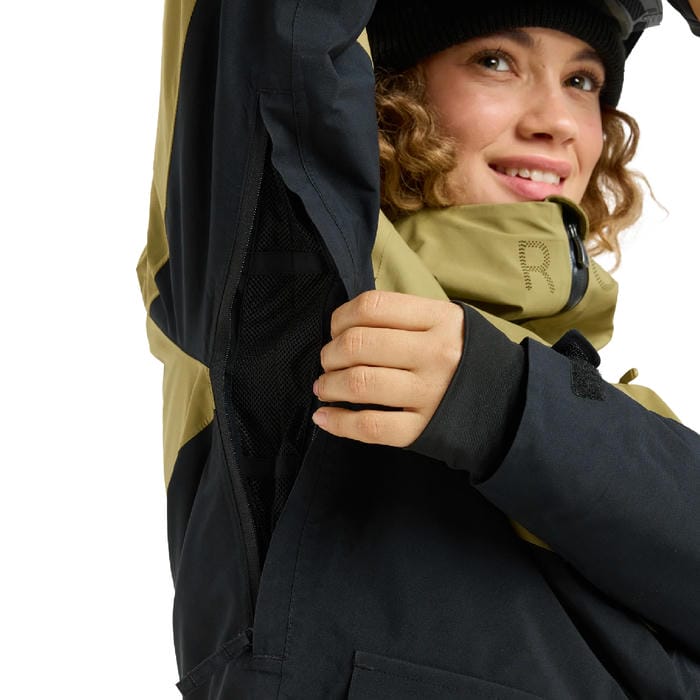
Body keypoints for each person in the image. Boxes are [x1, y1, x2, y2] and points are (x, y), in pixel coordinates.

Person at [138, 0, 700, 697]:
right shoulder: (300, 291)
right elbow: (270, 47)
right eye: (496, 62)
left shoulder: (604, 404)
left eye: (582, 82)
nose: (556, 121)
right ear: (391, 93)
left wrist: (500, 398)